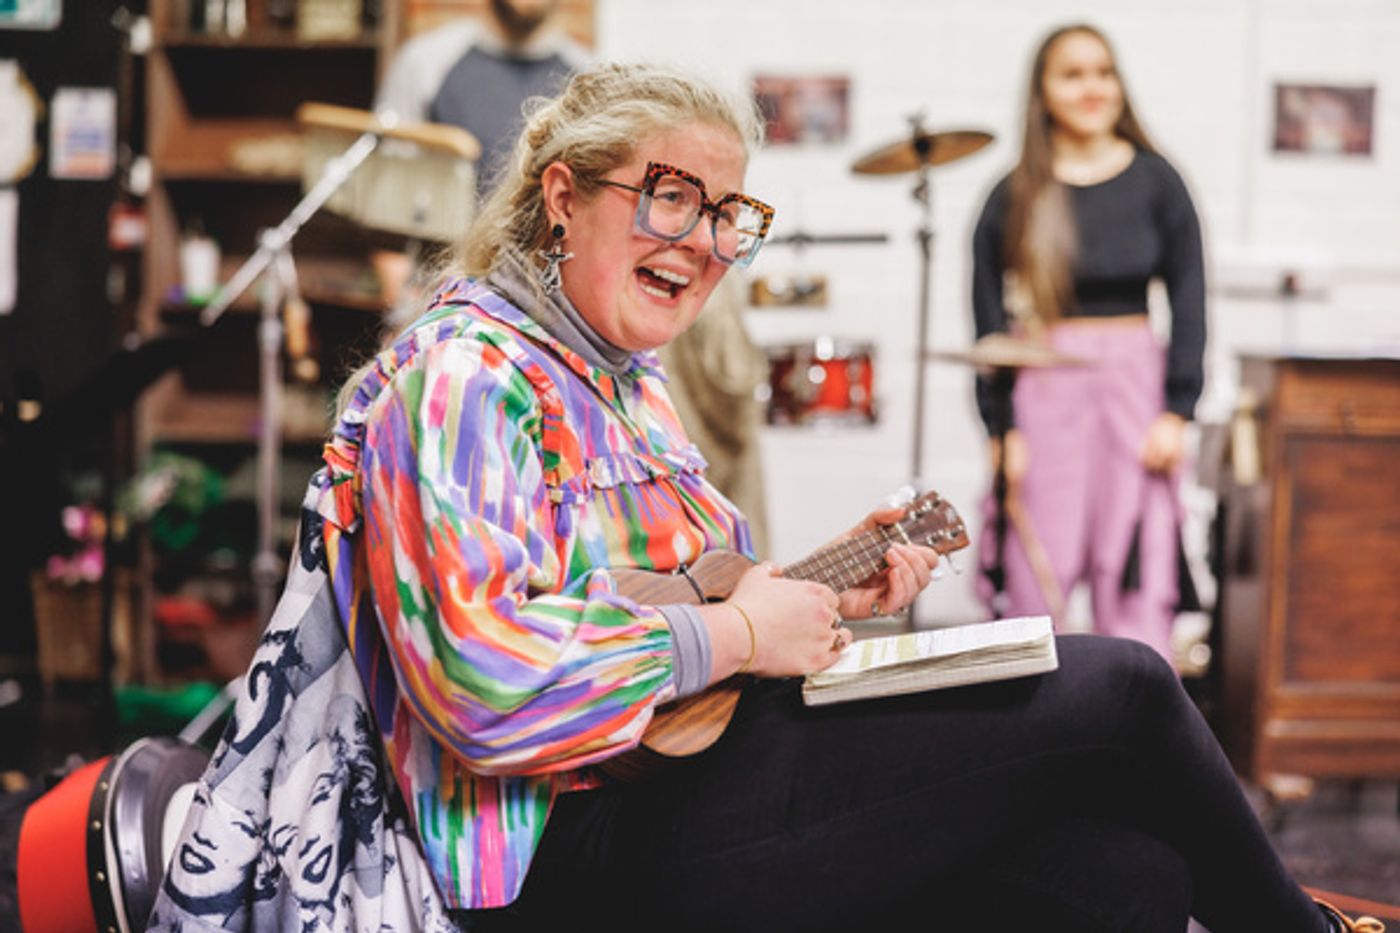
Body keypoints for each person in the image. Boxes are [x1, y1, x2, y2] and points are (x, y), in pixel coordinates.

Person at [146, 62, 1379, 933]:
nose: (698, 238)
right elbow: (481, 688)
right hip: (537, 861)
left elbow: (672, 615)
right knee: (1122, 684)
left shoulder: (623, 384)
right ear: (563, 196)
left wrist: (830, 584)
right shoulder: (467, 375)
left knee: (1121, 873)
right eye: (666, 195)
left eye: (723, 211)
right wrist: (740, 630)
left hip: (669, 786)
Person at [970, 23, 1205, 663]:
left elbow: (1190, 301)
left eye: (1102, 72)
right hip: (1047, 387)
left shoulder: (1160, 183)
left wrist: (1178, 411)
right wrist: (1001, 429)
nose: (1091, 88)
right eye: (1072, 75)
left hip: (1134, 386)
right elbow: (987, 326)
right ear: (1043, 92)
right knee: (1033, 568)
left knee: (1133, 567)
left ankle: (1134, 731)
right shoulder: (1012, 193)